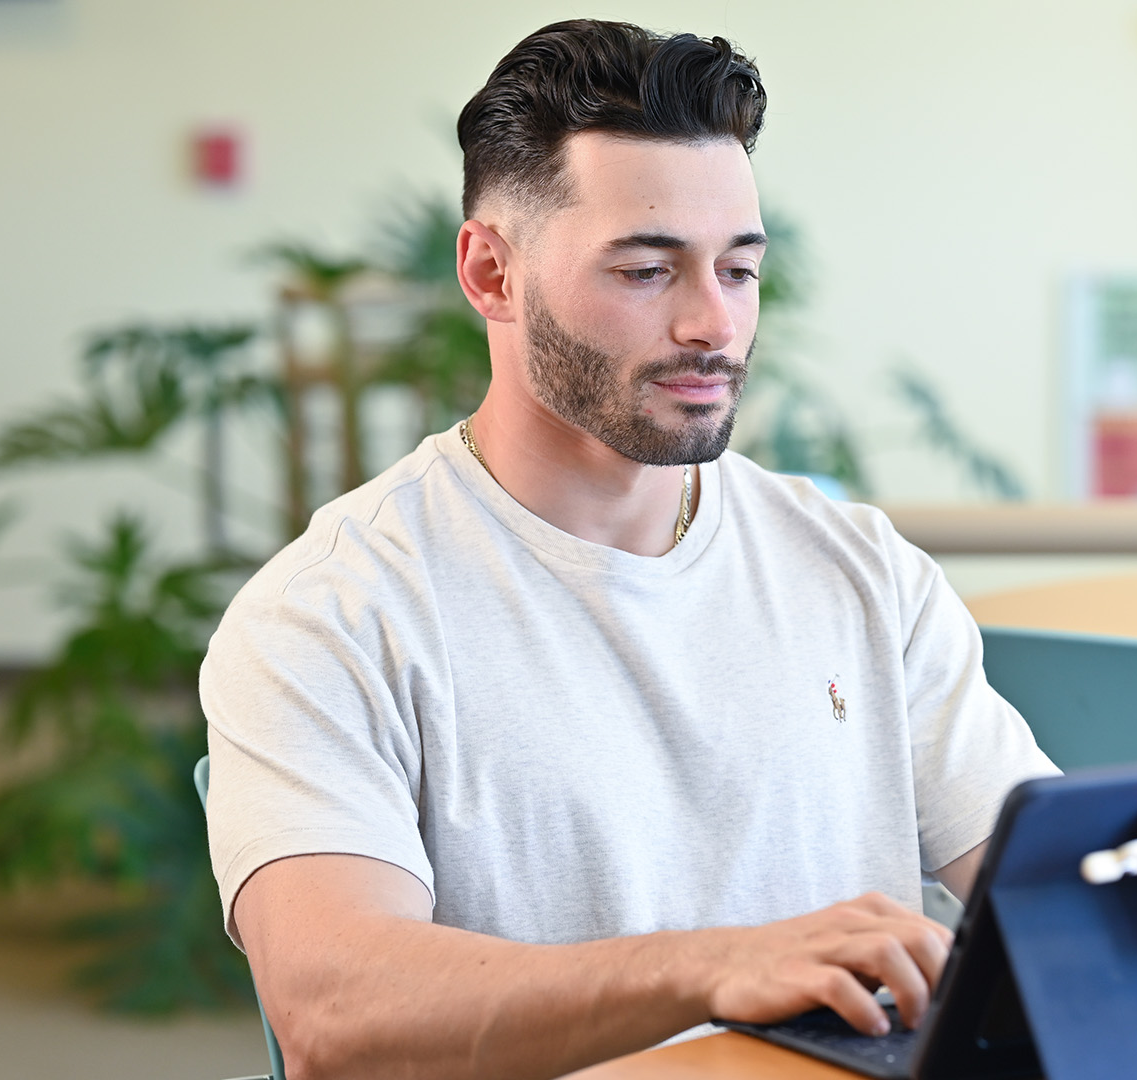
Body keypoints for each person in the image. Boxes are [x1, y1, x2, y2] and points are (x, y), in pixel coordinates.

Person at [201, 19, 1055, 1079]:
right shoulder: (333, 612)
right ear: (492, 274)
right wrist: (714, 969)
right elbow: (338, 1009)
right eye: (649, 272)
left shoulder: (859, 569)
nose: (713, 324)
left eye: (738, 273)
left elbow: (1045, 900)